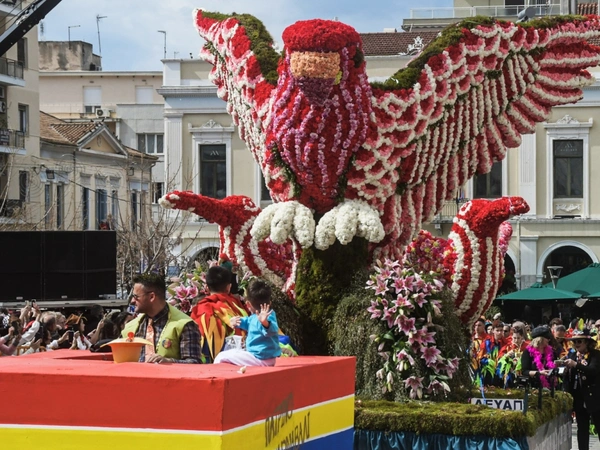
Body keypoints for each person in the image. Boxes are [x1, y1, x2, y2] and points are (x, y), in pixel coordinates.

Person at [122, 273, 202, 364]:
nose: (132, 301)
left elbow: (194, 363)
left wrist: (170, 362)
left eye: (136, 297)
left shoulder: (185, 325)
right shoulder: (130, 327)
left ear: (152, 297)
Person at [214, 279, 281, 367]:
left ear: (248, 304)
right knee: (230, 352)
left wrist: (265, 323)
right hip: (260, 357)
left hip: (261, 358)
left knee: (221, 356)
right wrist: (236, 321)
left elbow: (272, 331)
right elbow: (248, 322)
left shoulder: (268, 316)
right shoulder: (254, 317)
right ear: (270, 302)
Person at [190, 266, 249, 362]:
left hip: (207, 362)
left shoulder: (199, 309)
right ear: (228, 287)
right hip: (240, 359)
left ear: (207, 287)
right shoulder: (238, 308)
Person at [564, 329, 600, 450]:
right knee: (582, 429)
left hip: (594, 397)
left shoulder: (596, 355)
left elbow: (593, 371)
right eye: (574, 342)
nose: (576, 344)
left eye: (579, 341)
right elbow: (568, 379)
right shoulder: (572, 355)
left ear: (587, 342)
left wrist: (576, 365)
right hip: (579, 396)